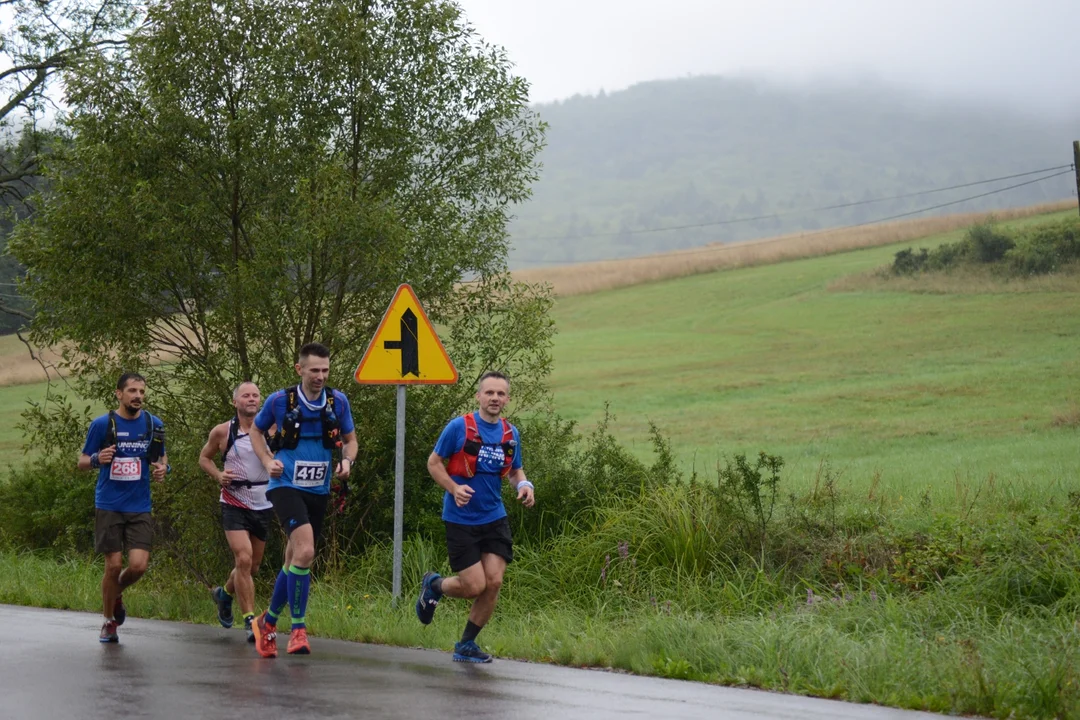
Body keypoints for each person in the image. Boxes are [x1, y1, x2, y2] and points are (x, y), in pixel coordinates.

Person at [415, 371, 535, 663]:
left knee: (493, 582)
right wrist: (454, 488)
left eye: (501, 394)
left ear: (507, 399)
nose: (495, 398)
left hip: (494, 517)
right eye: (489, 393)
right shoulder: (459, 427)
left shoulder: (510, 433)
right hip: (460, 519)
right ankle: (434, 585)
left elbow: (514, 470)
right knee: (473, 587)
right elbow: (433, 463)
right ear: (478, 396)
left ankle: (466, 644)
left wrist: (524, 485)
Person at [247, 342, 357, 657]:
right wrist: (268, 462)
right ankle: (297, 630)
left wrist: (347, 462)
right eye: (314, 370)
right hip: (284, 484)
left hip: (318, 489)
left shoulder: (338, 402)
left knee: (293, 559)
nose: (320, 376)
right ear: (300, 369)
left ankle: (266, 624)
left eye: (325, 370)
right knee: (306, 550)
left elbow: (350, 441)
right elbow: (255, 433)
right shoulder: (280, 401)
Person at [78, 372, 168, 643]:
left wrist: (164, 468)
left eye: (141, 391)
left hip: (140, 505)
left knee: (139, 566)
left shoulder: (154, 424)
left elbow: (161, 457)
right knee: (113, 565)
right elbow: (82, 461)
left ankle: (115, 594)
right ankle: (108, 622)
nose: (138, 396)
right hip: (109, 504)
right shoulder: (103, 424)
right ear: (119, 394)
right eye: (132, 391)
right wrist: (96, 459)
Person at [199, 381, 274, 642]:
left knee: (251, 568)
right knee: (242, 558)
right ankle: (250, 621)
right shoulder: (223, 432)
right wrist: (219, 475)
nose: (251, 399)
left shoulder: (272, 429)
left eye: (255, 395)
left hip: (264, 503)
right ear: (235, 402)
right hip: (233, 502)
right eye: (246, 395)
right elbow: (204, 458)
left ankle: (224, 594)